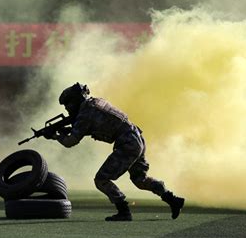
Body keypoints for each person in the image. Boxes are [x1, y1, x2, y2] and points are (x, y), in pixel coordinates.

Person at [46, 83, 185, 221]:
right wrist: (68, 129)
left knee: (101, 179)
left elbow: (71, 142)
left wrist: (55, 136)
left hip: (127, 143)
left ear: (75, 101)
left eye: (67, 104)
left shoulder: (85, 114)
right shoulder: (95, 102)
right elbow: (97, 125)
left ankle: (123, 211)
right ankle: (173, 200)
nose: (67, 108)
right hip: (136, 137)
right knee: (140, 179)